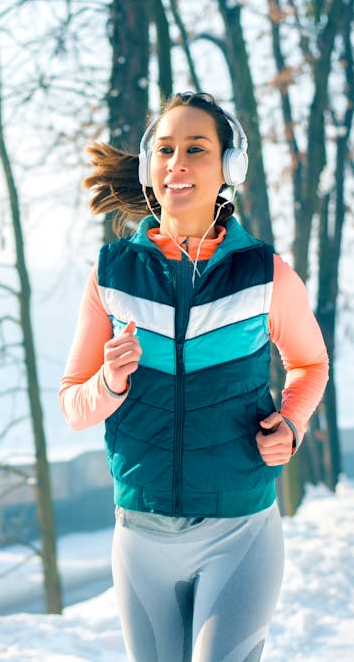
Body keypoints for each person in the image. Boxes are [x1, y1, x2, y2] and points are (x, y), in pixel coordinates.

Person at [58, 91, 329, 662]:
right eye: (165, 150)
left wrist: (292, 422)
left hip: (240, 532)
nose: (177, 162)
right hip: (140, 535)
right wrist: (109, 381)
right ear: (148, 167)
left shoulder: (265, 274)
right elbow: (73, 405)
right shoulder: (111, 274)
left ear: (230, 167)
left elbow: (311, 363)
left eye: (196, 149)